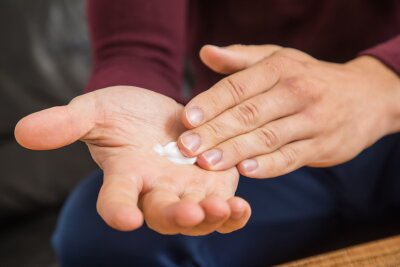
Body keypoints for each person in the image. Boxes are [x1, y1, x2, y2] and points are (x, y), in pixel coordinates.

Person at [15, 0, 400, 266]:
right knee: (104, 237)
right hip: (245, 142)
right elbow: (137, 45)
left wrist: (380, 84)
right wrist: (135, 88)